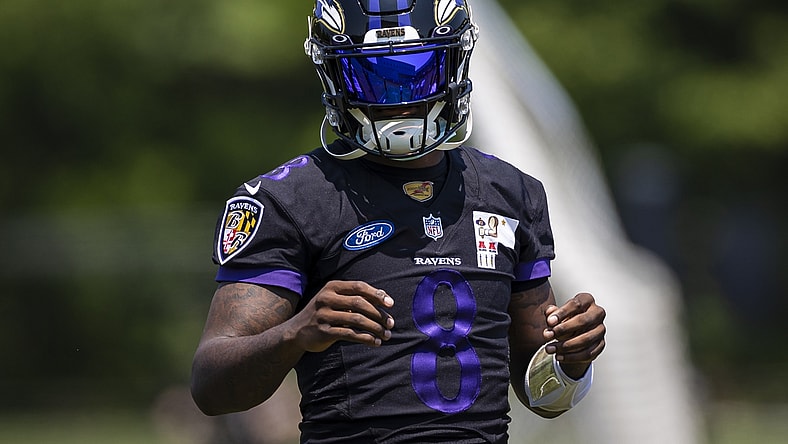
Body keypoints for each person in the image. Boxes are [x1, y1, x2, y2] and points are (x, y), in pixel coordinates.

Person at [190, 1, 606, 443]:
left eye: (418, 69)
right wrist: (296, 333)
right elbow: (212, 388)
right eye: (370, 74)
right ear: (332, 72)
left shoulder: (511, 192)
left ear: (455, 62)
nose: (398, 100)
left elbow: (543, 396)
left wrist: (572, 359)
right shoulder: (288, 200)